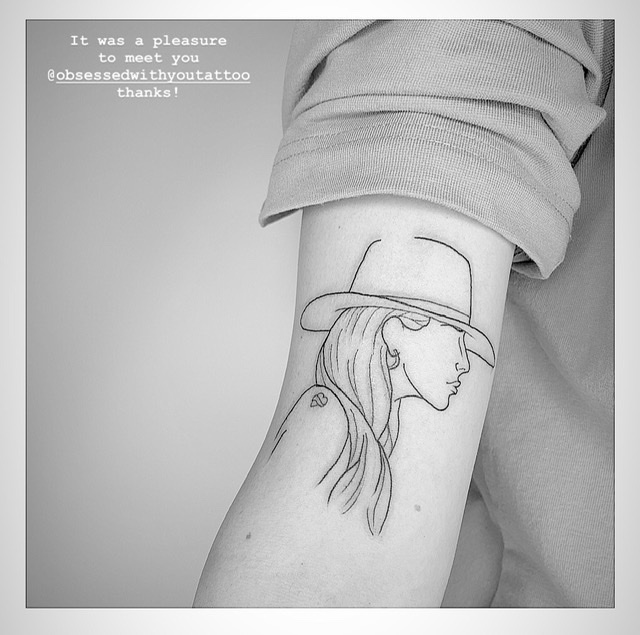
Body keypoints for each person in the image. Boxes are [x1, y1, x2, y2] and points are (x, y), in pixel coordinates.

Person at [194, 20, 613, 607]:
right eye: (454, 333)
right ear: (393, 333)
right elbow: (318, 582)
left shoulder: (371, 431)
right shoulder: (333, 424)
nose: (466, 359)